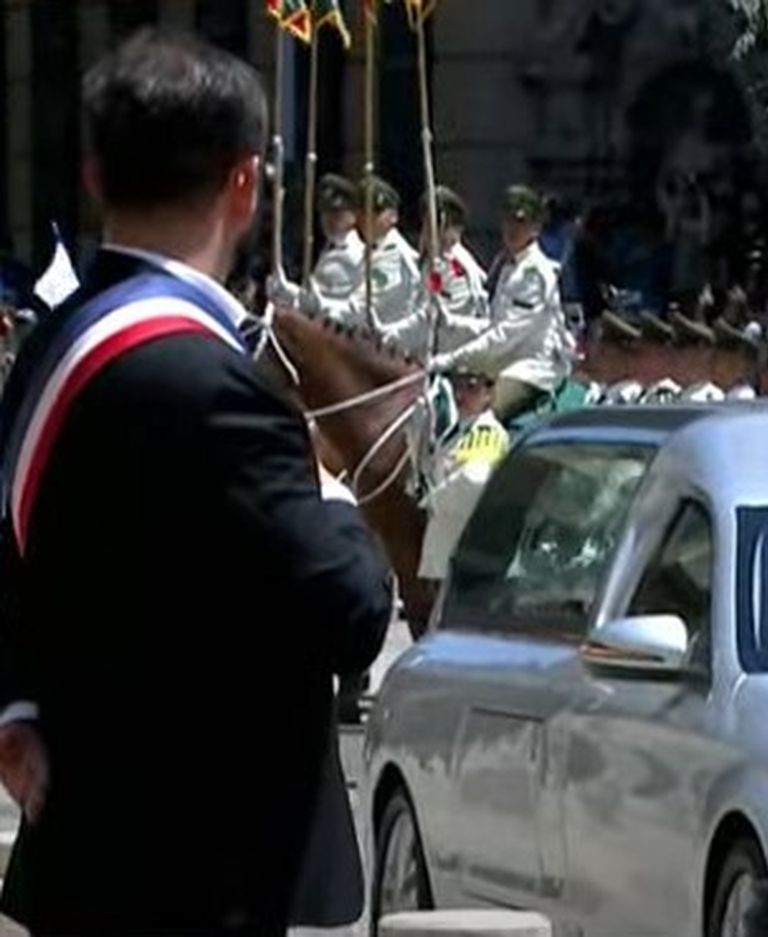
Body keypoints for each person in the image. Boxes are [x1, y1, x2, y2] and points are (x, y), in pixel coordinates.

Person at [0, 30, 395, 935]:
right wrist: (332, 496)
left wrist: (16, 703)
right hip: (211, 875)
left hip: (76, 858)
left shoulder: (48, 351)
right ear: (246, 184)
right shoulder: (217, 386)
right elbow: (351, 613)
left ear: (95, 178)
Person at [431, 185, 575, 424]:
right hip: (502, 359)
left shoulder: (534, 274)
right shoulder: (509, 266)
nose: (512, 230)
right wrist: (452, 322)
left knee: (481, 418)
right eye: (508, 221)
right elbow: (494, 324)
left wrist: (453, 358)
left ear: (536, 229)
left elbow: (506, 334)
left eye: (521, 223)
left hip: (530, 368)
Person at [418, 370, 509, 586]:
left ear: (489, 394)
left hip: (463, 557)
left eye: (471, 387)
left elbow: (474, 479)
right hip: (443, 552)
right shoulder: (455, 432)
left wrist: (430, 501)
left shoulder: (486, 432)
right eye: (457, 386)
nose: (460, 394)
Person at [378, 185, 490, 356]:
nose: (429, 231)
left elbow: (436, 320)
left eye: (438, 224)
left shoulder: (453, 267)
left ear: (455, 228)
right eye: (426, 223)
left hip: (449, 359)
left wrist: (392, 336)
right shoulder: (430, 261)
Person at [280, 173, 364, 324]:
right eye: (324, 213)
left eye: (336, 213)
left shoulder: (357, 256)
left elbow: (349, 308)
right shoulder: (326, 249)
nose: (328, 220)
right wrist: (287, 291)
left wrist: (298, 297)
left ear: (353, 216)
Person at [359, 174, 423, 339]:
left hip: (388, 350)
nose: (369, 218)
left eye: (377, 211)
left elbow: (362, 306)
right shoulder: (368, 250)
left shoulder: (393, 255)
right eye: (364, 211)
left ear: (394, 216)